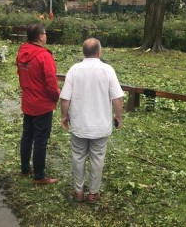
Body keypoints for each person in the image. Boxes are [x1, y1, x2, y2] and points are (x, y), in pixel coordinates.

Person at [60, 38, 124, 203]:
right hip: (101, 126)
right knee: (97, 159)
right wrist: (118, 117)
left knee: (78, 157)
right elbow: (117, 97)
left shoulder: (74, 70)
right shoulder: (107, 70)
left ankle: (78, 191)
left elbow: (65, 98)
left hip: (80, 125)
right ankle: (93, 193)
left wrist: (64, 116)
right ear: (99, 51)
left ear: (84, 52)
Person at [16, 23, 60, 185]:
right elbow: (51, 83)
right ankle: (40, 176)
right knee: (41, 140)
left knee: (27, 137)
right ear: (41, 36)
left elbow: (20, 75)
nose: (46, 36)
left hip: (28, 102)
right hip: (42, 105)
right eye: (45, 33)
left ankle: (25, 168)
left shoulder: (22, 53)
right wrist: (56, 97)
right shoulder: (44, 56)